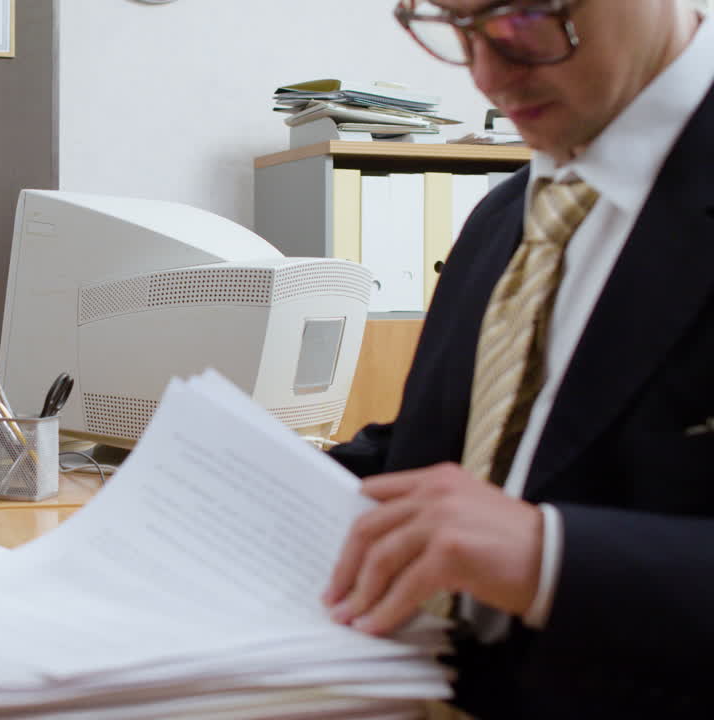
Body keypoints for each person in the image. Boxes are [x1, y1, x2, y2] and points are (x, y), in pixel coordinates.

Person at [322, 0, 714, 716]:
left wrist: (551, 558)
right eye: (458, 26)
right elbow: (439, 456)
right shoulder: (501, 216)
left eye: (528, 15)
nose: (487, 75)